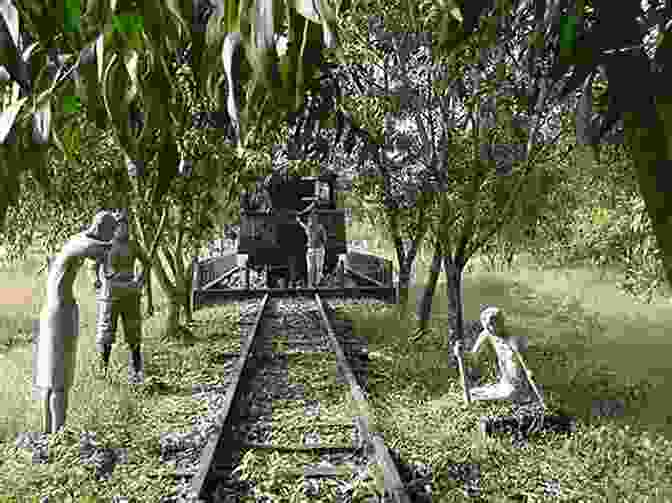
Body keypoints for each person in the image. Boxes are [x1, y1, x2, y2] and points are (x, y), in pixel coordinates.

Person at [35, 211, 118, 433]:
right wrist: (108, 263)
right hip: (60, 314)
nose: (111, 238)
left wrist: (103, 265)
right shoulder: (80, 245)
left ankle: (49, 435)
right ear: (101, 228)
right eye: (111, 232)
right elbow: (95, 250)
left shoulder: (76, 238)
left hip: (54, 312)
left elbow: (95, 250)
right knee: (59, 382)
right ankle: (57, 434)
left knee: (50, 380)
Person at [94, 209, 149, 384]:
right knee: (106, 336)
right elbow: (92, 266)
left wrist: (140, 281)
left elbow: (147, 263)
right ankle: (103, 372)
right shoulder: (105, 244)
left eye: (126, 225)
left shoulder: (133, 245)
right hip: (110, 295)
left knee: (134, 335)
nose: (123, 229)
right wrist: (96, 279)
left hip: (130, 294)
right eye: (120, 226)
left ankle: (137, 373)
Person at [454, 306, 536, 404]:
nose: (488, 329)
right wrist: (461, 353)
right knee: (471, 394)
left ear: (501, 323)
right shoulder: (487, 334)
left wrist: (538, 394)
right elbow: (473, 357)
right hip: (504, 385)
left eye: (491, 325)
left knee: (476, 400)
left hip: (517, 389)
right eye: (486, 326)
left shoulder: (513, 340)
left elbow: (529, 371)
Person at [296, 208, 328, 287]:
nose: (311, 220)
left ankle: (315, 284)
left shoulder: (317, 228)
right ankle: (312, 284)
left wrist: (299, 221)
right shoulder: (310, 228)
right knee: (313, 268)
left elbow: (324, 239)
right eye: (311, 219)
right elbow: (324, 239)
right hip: (313, 249)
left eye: (313, 218)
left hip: (317, 249)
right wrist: (299, 221)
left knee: (316, 267)